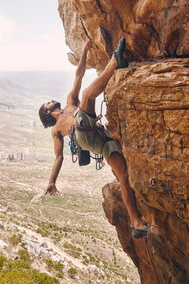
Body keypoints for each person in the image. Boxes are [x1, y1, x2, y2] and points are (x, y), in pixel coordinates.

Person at [38, 38, 149, 239]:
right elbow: (58, 158)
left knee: (123, 175)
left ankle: (136, 223)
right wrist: (51, 181)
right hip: (81, 134)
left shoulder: (70, 102)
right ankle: (116, 61)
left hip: (99, 139)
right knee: (89, 95)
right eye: (47, 103)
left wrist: (85, 53)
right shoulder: (55, 129)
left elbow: (78, 75)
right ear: (47, 112)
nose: (51, 100)